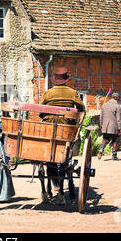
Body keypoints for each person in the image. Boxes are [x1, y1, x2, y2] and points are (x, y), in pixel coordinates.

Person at [40, 67, 86, 204]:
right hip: (66, 131)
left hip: (48, 131)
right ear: (66, 79)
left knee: (49, 161)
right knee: (65, 160)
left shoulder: (47, 93)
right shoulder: (72, 93)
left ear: (54, 79)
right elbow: (82, 109)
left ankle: (47, 190)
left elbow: (41, 111)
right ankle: (61, 192)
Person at [98, 92, 121, 161]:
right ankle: (114, 156)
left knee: (105, 139)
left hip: (105, 126)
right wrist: (120, 128)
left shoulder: (104, 105)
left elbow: (101, 117)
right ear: (117, 99)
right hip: (113, 127)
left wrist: (101, 125)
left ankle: (101, 149)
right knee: (115, 140)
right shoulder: (117, 106)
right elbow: (118, 119)